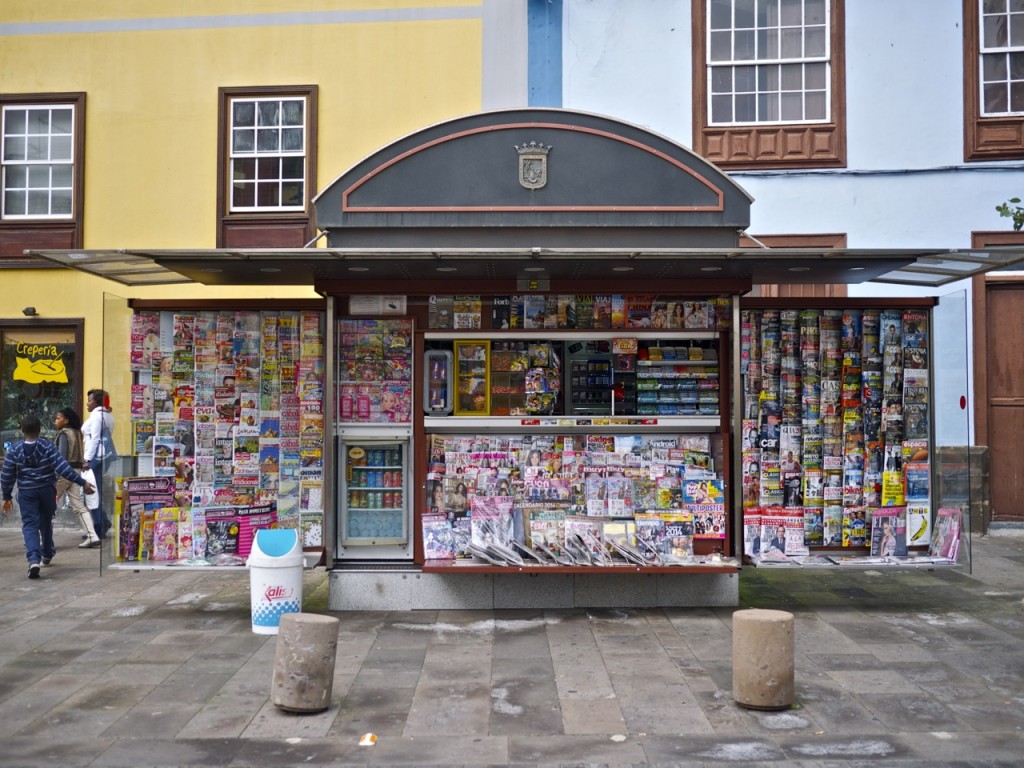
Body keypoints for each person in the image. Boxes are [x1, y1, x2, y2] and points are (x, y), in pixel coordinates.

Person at [2, 415, 96, 578]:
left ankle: (33, 559)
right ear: (39, 430)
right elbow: (63, 467)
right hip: (46, 490)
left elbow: (7, 475)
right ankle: (46, 552)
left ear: (22, 431)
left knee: (30, 525)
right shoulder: (47, 446)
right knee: (45, 522)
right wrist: (82, 482)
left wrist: (6, 496)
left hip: (27, 492)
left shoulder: (14, 450)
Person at [53, 408, 101, 547]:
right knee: (78, 505)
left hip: (64, 473)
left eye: (58, 418)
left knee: (48, 504)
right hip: (76, 472)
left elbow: (61, 457)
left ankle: (42, 540)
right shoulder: (77, 433)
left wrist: (56, 475)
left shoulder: (64, 434)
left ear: (66, 420)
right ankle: (92, 536)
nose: (55, 421)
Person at [81, 388, 115, 538]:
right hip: (102, 457)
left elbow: (95, 439)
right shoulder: (108, 416)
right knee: (96, 491)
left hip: (94, 458)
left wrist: (87, 459)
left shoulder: (96, 416)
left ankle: (98, 528)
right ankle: (103, 522)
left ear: (96, 401)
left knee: (92, 492)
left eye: (90, 400)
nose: (87, 403)